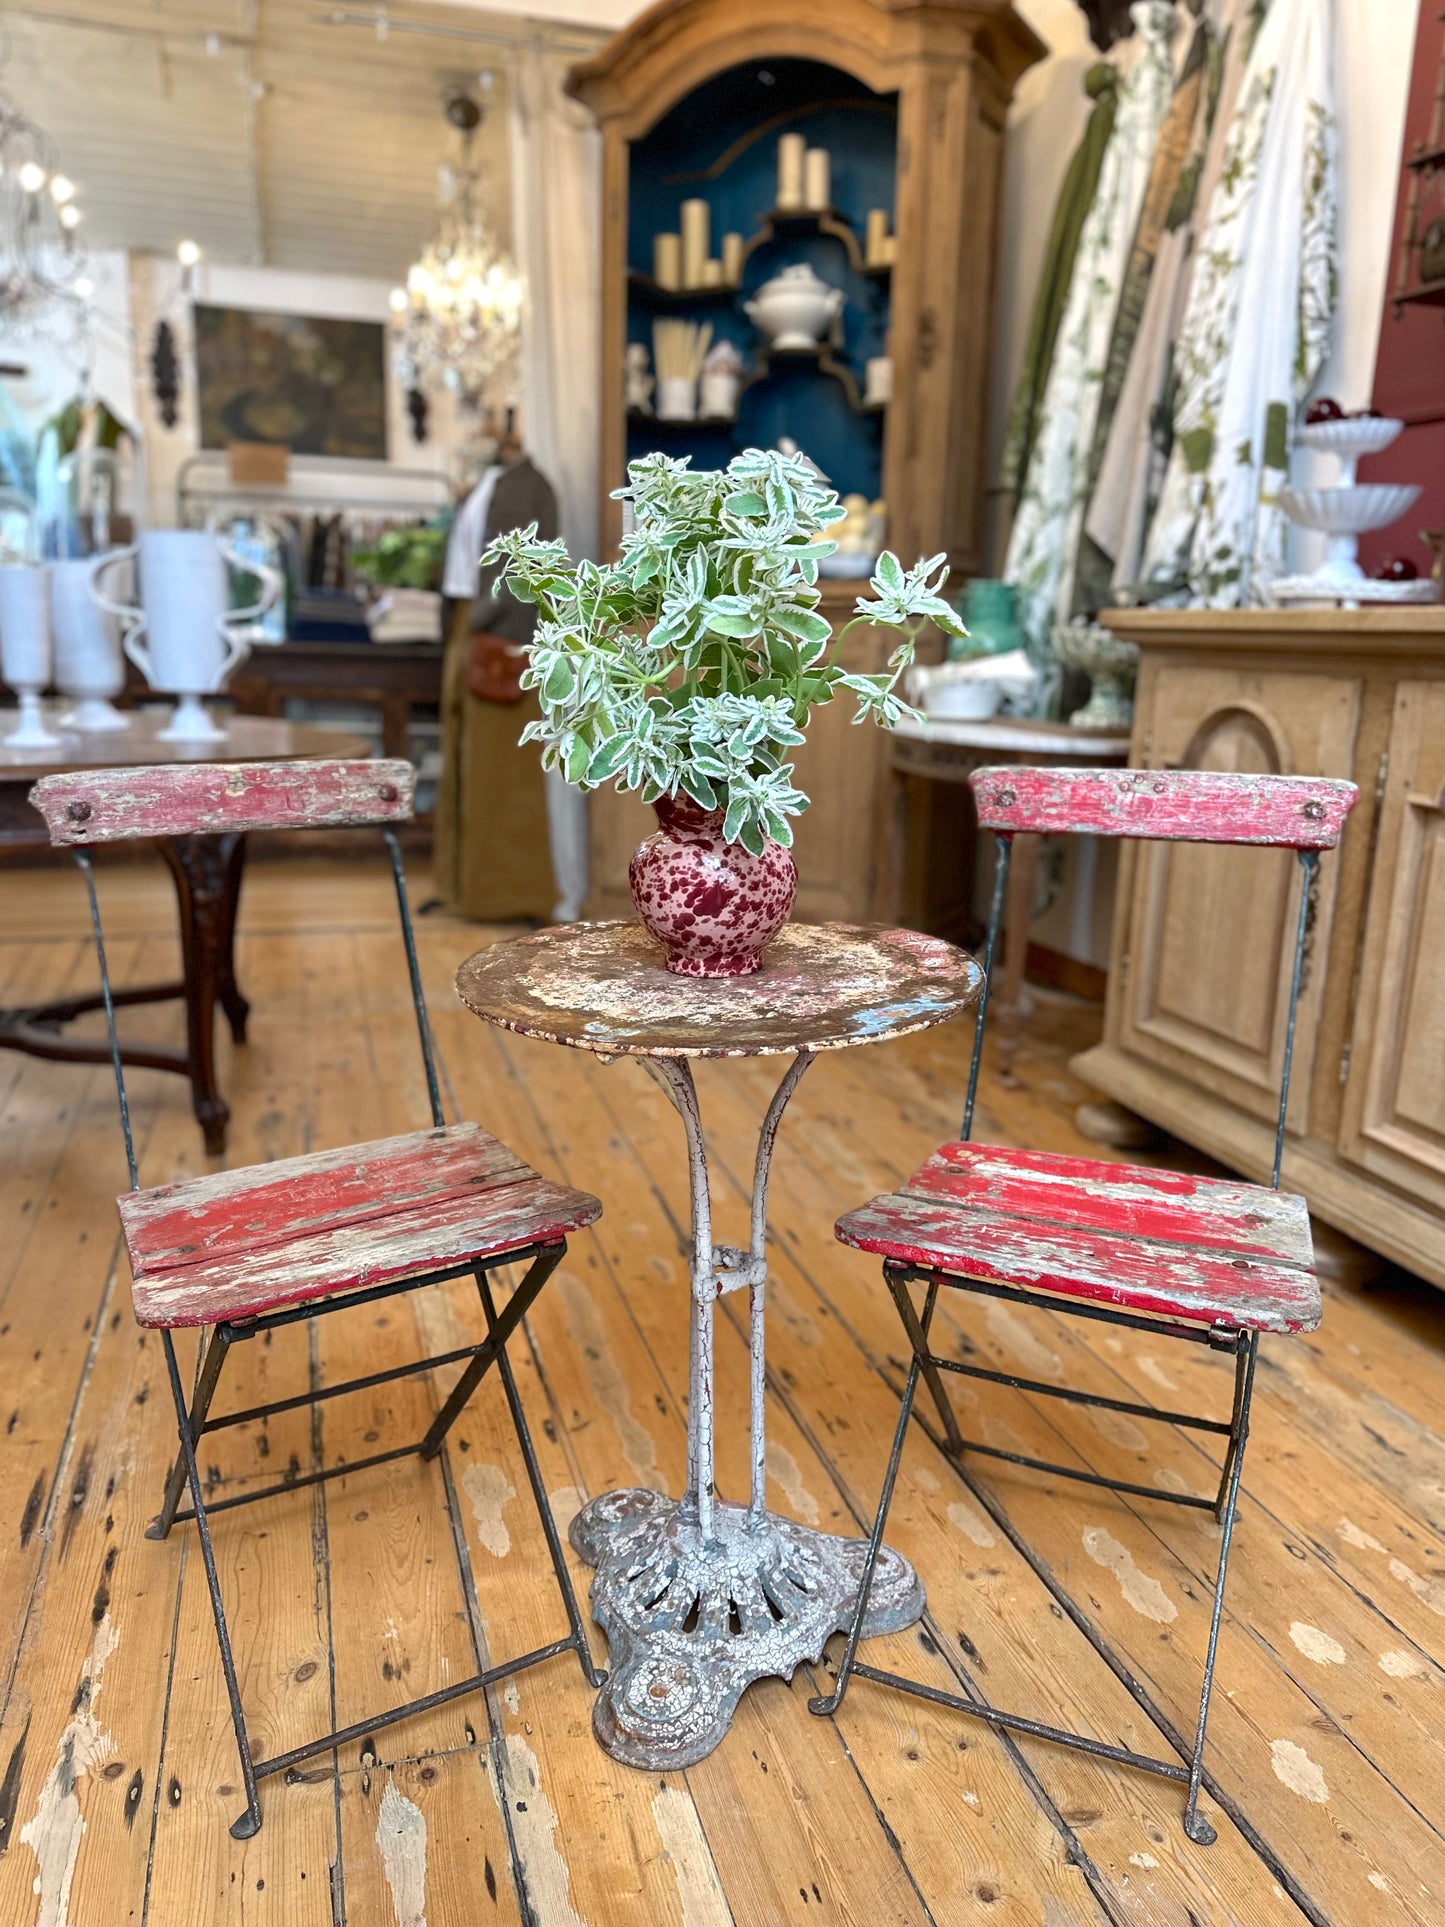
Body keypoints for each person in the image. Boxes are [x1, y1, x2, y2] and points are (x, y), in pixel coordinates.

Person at [433, 421, 560, 922]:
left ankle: (512, 896)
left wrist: (492, 620)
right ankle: (460, 887)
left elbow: (535, 567)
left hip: (503, 636)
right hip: (470, 626)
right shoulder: (487, 483)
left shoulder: (533, 487)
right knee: (463, 761)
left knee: (502, 769)